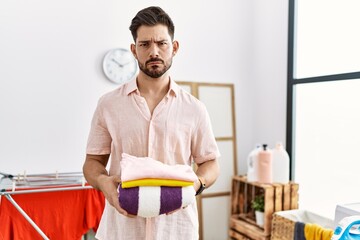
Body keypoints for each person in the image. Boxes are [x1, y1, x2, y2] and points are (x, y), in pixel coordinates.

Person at [83, 6, 220, 240]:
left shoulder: (194, 109)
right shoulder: (108, 104)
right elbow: (92, 163)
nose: (154, 51)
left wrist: (196, 184)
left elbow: (210, 163)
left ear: (174, 48)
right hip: (121, 230)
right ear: (134, 50)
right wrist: (104, 182)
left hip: (177, 230)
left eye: (161, 43)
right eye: (145, 44)